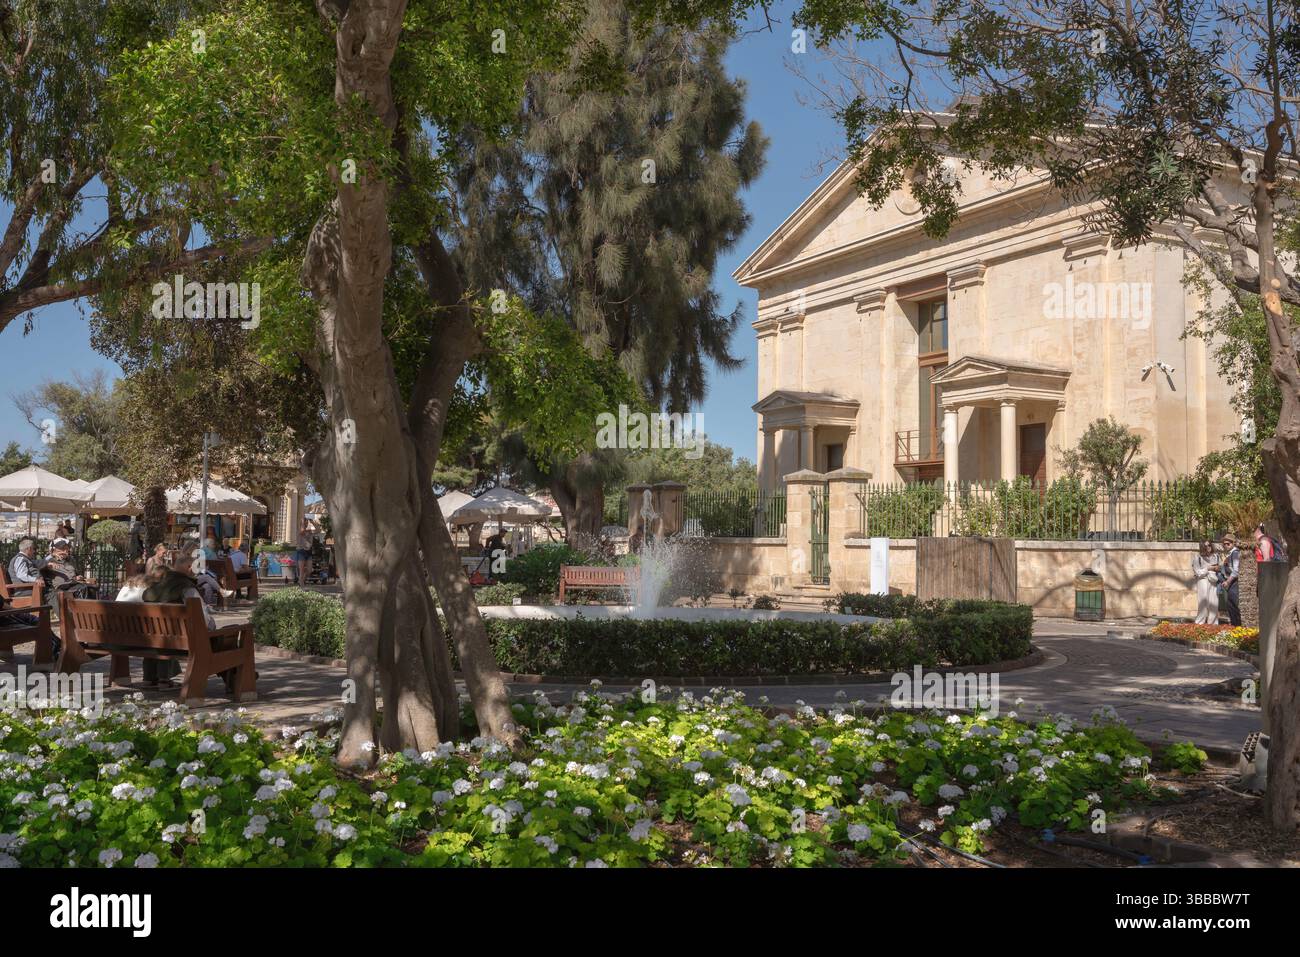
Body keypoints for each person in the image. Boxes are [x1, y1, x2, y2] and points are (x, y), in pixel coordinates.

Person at [140, 553, 214, 686]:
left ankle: (150, 677)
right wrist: (212, 627)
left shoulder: (154, 587)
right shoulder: (187, 588)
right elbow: (203, 618)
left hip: (152, 639)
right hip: (183, 642)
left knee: (161, 636)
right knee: (226, 640)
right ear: (189, 568)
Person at [1191, 541, 1220, 625]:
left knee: (1214, 602)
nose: (1208, 547)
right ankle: (1200, 623)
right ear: (1202, 547)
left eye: (1209, 545)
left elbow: (1219, 567)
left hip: (1213, 580)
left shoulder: (1216, 556)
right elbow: (1197, 572)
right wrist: (1208, 568)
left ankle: (1213, 624)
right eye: (1206, 545)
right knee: (1203, 602)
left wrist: (1217, 568)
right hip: (1203, 580)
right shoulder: (1198, 557)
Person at [1218, 534, 1242, 626]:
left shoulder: (1235, 553)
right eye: (1224, 544)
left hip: (1234, 583)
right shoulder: (1230, 554)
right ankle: (1235, 626)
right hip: (1231, 583)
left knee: (1234, 606)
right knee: (1230, 605)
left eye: (1228, 543)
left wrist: (1228, 581)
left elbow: (1236, 570)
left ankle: (1238, 626)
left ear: (1233, 543)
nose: (1226, 545)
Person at [295, 520, 316, 586]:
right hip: (301, 551)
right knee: (301, 570)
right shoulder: (299, 531)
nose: (306, 524)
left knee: (309, 570)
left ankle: (301, 580)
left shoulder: (310, 532)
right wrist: (302, 522)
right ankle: (301, 585)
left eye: (307, 523)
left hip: (308, 552)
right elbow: (302, 531)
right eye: (305, 523)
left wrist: (313, 523)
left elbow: (318, 530)